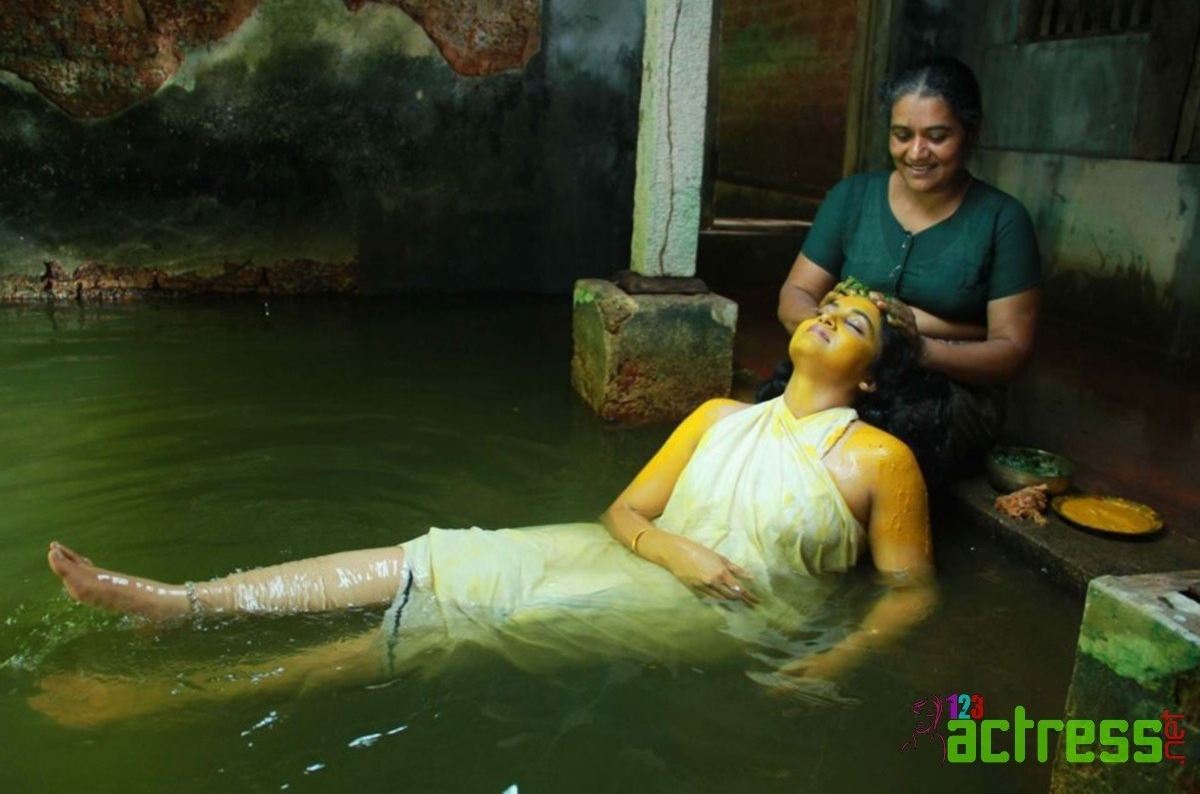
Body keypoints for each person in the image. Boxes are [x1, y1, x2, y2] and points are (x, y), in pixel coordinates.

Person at [36, 294, 936, 727]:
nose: (830, 315)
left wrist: (831, 661)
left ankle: (166, 694)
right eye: (829, 304)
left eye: (854, 323)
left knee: (473, 620)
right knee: (437, 554)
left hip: (731, 609)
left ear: (870, 377)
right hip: (646, 558)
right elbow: (624, 511)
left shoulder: (881, 462)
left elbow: (911, 592)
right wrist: (673, 548)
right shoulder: (718, 417)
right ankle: (182, 601)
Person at [777, 56, 1042, 481]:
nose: (916, 153)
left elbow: (1010, 354)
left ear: (971, 133)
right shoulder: (852, 197)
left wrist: (921, 350)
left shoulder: (1002, 221)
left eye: (937, 137)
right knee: (779, 408)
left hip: (949, 389)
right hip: (851, 366)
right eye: (902, 135)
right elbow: (794, 297)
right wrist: (842, 336)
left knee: (882, 443)